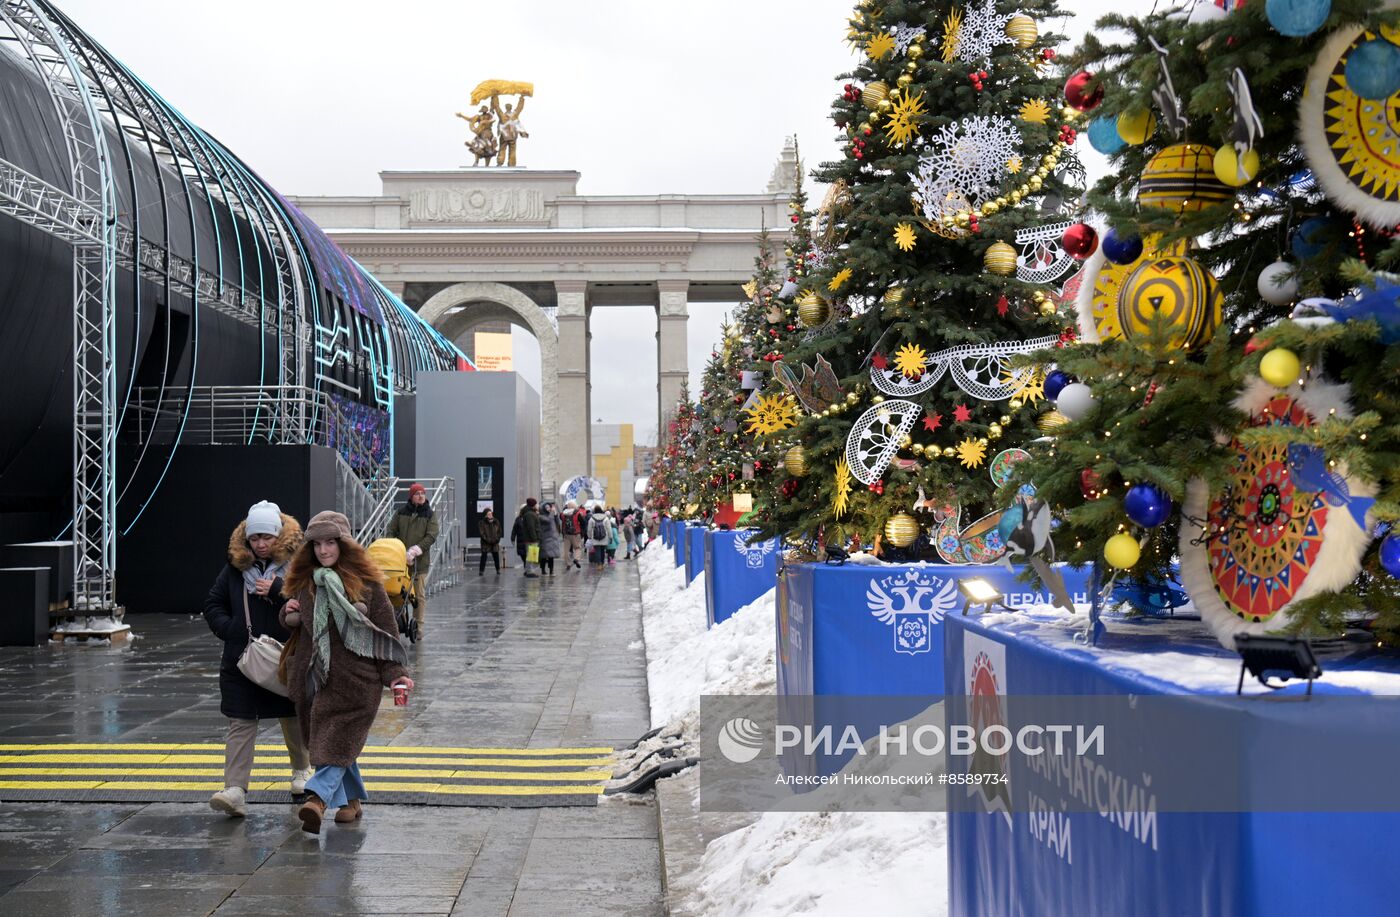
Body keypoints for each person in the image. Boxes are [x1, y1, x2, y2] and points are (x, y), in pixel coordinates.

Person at [280, 511, 412, 835]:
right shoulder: (306, 582)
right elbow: (295, 623)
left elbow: (387, 630)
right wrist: (288, 612)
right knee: (335, 744)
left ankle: (317, 800)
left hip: (357, 681)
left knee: (335, 742)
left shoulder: (367, 584)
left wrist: (395, 673)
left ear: (344, 544)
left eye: (330, 543)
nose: (323, 550)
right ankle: (351, 803)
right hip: (316, 678)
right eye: (317, 544)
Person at [202, 501, 312, 817]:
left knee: (292, 717)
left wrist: (278, 590)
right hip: (243, 659)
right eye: (254, 538)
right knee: (241, 720)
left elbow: (311, 603)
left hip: (285, 655)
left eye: (267, 537)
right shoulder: (234, 570)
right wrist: (231, 629)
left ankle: (302, 771)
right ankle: (235, 789)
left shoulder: (298, 566)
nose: (261, 544)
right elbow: (213, 604)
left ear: (279, 535)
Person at [385, 482, 438, 640]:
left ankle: (419, 627)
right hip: (400, 561)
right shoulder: (401, 512)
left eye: (422, 493)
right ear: (411, 496)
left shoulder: (429, 514)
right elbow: (391, 530)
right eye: (417, 494)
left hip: (419, 563)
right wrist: (393, 546)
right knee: (397, 593)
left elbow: (432, 535)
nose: (421, 496)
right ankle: (397, 622)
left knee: (418, 596)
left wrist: (417, 549)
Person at [538, 501, 562, 576]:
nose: (548, 509)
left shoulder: (551, 515)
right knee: (544, 555)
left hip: (552, 538)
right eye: (547, 507)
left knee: (551, 556)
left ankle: (551, 571)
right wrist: (552, 513)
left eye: (549, 507)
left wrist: (556, 515)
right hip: (545, 538)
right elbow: (548, 521)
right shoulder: (541, 517)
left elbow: (557, 522)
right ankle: (543, 570)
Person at [519, 497, 542, 577]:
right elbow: (531, 527)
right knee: (531, 555)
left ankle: (528, 570)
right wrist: (534, 538)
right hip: (531, 539)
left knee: (531, 554)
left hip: (530, 538)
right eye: (536, 504)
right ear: (533, 505)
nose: (537, 505)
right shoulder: (530, 514)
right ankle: (529, 571)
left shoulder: (530, 513)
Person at [560, 499, 584, 570]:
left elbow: (561, 519)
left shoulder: (563, 514)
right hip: (576, 534)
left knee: (566, 550)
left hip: (566, 534)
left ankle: (568, 563)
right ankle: (576, 559)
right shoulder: (577, 513)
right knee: (577, 548)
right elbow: (583, 523)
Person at [586, 503, 612, 569]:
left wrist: (589, 536)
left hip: (595, 537)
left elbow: (589, 529)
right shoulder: (606, 518)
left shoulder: (592, 518)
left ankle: (599, 564)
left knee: (597, 550)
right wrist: (610, 537)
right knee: (602, 550)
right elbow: (609, 528)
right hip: (604, 537)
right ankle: (602, 563)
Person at [477, 507, 502, 575]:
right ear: (485, 515)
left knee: (496, 557)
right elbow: (482, 533)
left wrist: (497, 539)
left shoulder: (496, 521)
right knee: (484, 557)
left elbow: (499, 532)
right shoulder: (482, 522)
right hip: (485, 543)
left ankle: (498, 570)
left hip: (495, 542)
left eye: (491, 513)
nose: (490, 515)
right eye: (488, 514)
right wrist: (488, 540)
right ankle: (481, 571)